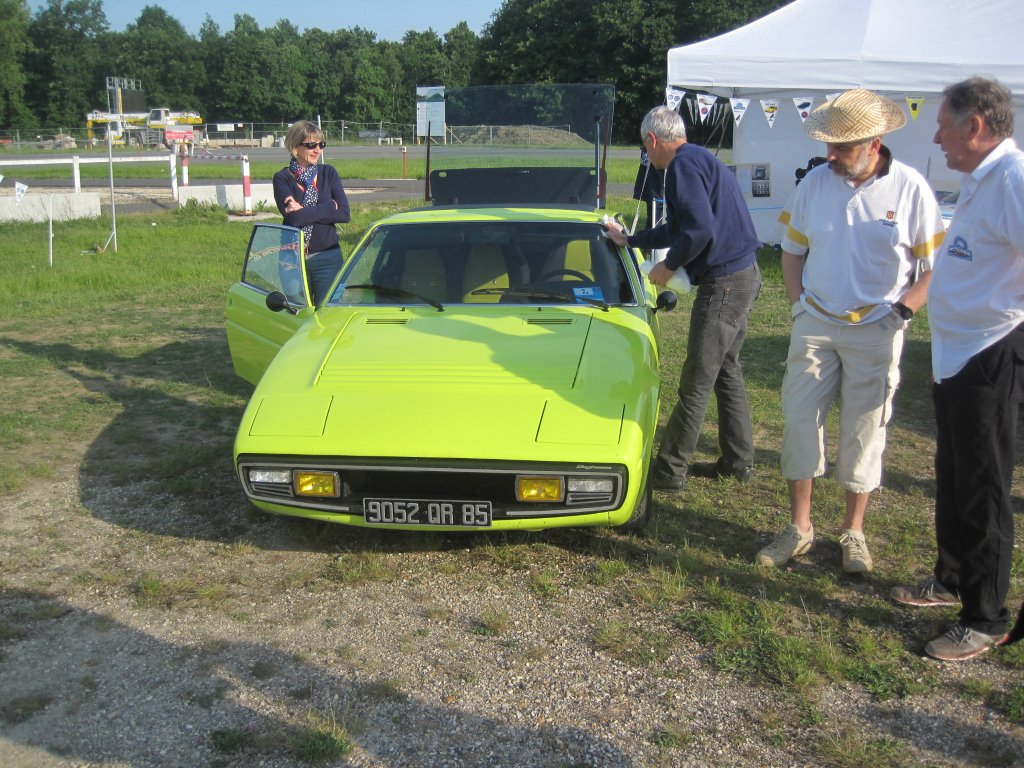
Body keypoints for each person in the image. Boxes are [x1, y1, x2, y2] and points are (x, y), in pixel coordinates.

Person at [757, 89, 945, 574]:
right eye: (830, 146)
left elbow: (933, 267)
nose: (831, 156)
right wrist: (799, 307)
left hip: (879, 327)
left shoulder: (910, 188)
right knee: (800, 422)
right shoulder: (816, 183)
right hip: (815, 324)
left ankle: (853, 532)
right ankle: (799, 529)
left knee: (865, 430)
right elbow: (792, 251)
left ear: (874, 143)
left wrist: (902, 312)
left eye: (842, 148)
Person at [891, 77, 1024, 661]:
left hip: (991, 352)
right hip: (956, 354)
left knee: (984, 486)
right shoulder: (982, 179)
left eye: (945, 125)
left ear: (976, 126)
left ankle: (987, 616)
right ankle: (950, 578)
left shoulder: (1014, 180)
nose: (937, 136)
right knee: (953, 474)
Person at [605, 106, 761, 491]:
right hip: (744, 274)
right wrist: (633, 240)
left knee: (696, 379)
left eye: (645, 147)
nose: (647, 155)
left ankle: (669, 470)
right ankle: (737, 462)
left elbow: (700, 231)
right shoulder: (699, 158)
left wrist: (667, 267)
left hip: (724, 283)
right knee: (726, 371)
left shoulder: (680, 167)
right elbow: (678, 226)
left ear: (653, 140)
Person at [272, 120, 351, 305]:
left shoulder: (328, 173)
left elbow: (345, 214)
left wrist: (304, 211)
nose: (317, 150)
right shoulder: (282, 178)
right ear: (294, 147)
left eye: (321, 145)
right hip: (292, 258)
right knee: (296, 312)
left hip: (327, 256)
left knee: (328, 312)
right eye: (311, 145)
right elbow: (293, 218)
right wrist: (330, 206)